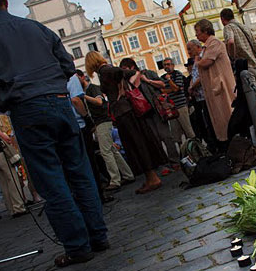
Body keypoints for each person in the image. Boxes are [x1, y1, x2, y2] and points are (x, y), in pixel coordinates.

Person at [0, 0, 109, 267]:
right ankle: (98, 235)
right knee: (79, 173)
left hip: (26, 109)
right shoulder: (36, 27)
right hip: (58, 103)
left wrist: (9, 99)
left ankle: (78, 246)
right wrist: (52, 85)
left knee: (51, 179)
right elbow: (69, 65)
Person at [85, 51, 166, 194]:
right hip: (126, 111)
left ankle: (152, 178)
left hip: (124, 112)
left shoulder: (105, 70)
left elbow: (130, 73)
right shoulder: (106, 70)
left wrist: (123, 90)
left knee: (137, 144)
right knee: (138, 144)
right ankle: (150, 177)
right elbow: (130, 74)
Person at [119, 58, 180, 174]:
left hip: (157, 110)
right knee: (155, 139)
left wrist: (147, 80)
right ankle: (164, 164)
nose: (124, 72)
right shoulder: (127, 82)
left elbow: (162, 84)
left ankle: (175, 161)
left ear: (132, 67)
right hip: (144, 114)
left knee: (166, 136)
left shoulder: (146, 73)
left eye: (125, 69)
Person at [76, 69, 135, 188]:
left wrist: (84, 97)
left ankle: (115, 180)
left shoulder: (93, 88)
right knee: (112, 150)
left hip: (103, 121)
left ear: (82, 77)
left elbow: (99, 101)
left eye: (77, 78)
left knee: (106, 152)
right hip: (99, 123)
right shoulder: (88, 90)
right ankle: (127, 175)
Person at [194, 19, 236, 150]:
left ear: (205, 31)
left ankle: (233, 143)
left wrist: (197, 61)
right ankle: (227, 145)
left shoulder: (214, 43)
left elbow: (207, 62)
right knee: (220, 119)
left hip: (221, 87)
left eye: (197, 32)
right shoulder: (208, 45)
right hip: (215, 88)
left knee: (227, 116)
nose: (196, 35)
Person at [220, 8, 256, 92]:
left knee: (252, 99)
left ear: (222, 19)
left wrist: (232, 56)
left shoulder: (228, 27)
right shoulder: (244, 26)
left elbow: (231, 42)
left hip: (246, 67)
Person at [186, 40, 217, 152]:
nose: (188, 51)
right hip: (199, 97)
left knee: (210, 123)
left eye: (190, 49)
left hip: (206, 95)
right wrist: (191, 86)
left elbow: (201, 76)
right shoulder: (195, 60)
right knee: (204, 123)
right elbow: (193, 75)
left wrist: (192, 86)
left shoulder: (202, 57)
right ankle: (211, 145)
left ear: (198, 47)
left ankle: (216, 145)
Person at [157, 58, 195, 146]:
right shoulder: (162, 78)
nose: (167, 66)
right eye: (165, 65)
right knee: (176, 135)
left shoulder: (178, 74)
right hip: (171, 109)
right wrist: (173, 89)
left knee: (188, 131)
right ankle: (183, 152)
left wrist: (170, 81)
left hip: (181, 106)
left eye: (168, 64)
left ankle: (195, 150)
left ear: (173, 65)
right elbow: (162, 91)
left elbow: (176, 89)